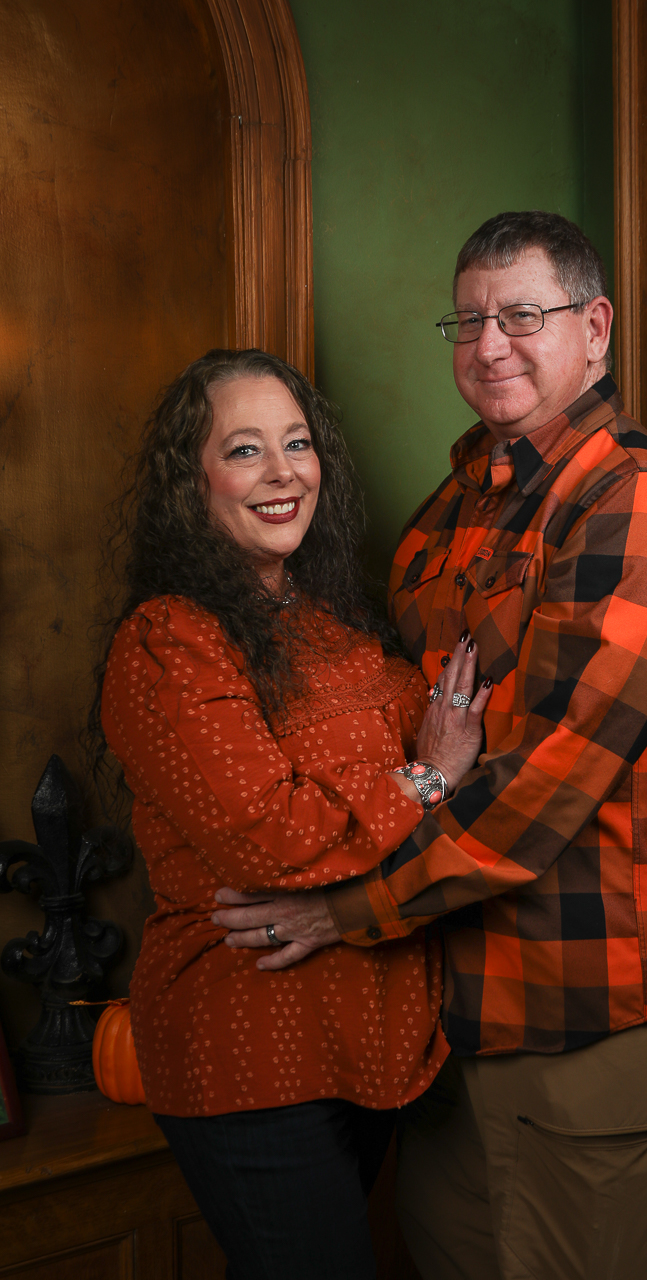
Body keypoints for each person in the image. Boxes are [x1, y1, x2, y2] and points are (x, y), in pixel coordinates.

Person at [214, 212, 647, 1280]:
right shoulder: (449, 509)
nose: (490, 344)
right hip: (444, 1010)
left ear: (594, 330)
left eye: (523, 316)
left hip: (579, 1007)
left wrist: (341, 909)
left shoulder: (638, 504)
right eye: (470, 319)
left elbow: (546, 781)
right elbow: (386, 721)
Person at [92, 347, 492, 1280]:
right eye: (244, 450)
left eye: (297, 443)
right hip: (250, 1045)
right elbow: (266, 837)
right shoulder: (169, 639)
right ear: (191, 482)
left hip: (381, 1042)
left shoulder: (334, 620)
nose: (282, 473)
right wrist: (427, 777)